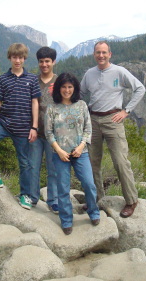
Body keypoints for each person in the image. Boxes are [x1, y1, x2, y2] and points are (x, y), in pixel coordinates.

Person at [80, 41, 146, 218]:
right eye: (97, 53)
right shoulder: (89, 74)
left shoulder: (119, 72)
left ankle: (131, 201)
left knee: (120, 161)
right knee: (93, 163)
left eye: (104, 52)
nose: (101, 56)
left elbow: (140, 88)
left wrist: (126, 111)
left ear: (110, 54)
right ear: (94, 54)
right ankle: (96, 199)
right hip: (93, 120)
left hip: (113, 119)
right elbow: (80, 93)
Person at [0, 43, 41, 210]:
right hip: (3, 123)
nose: (18, 60)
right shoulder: (3, 79)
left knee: (24, 163)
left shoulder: (32, 79)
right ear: (10, 58)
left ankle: (25, 195)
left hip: (23, 127)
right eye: (15, 57)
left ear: (24, 58)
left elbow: (35, 103)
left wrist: (34, 127)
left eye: (20, 57)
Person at [45, 72, 100, 235]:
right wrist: (59, 150)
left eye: (70, 87)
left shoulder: (82, 105)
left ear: (74, 88)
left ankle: (94, 212)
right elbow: (48, 133)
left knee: (89, 184)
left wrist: (81, 145)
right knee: (62, 188)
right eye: (63, 87)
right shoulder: (52, 108)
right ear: (58, 88)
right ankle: (66, 220)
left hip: (80, 153)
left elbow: (88, 129)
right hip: (60, 154)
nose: (67, 90)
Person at [29, 46, 59, 213]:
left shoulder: (59, 81)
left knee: (53, 168)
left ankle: (53, 200)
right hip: (35, 132)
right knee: (33, 166)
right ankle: (33, 198)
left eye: (47, 61)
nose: (44, 64)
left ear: (53, 62)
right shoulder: (33, 81)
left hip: (54, 134)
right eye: (41, 61)